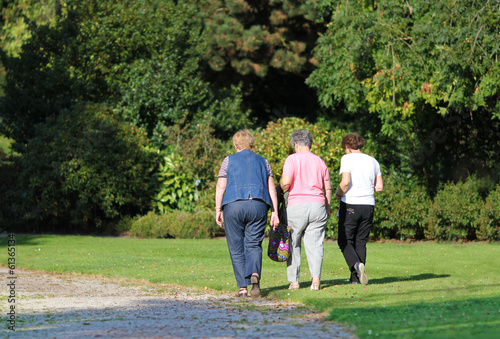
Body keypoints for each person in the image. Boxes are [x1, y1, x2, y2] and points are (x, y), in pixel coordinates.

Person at [215, 129, 279, 298]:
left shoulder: (228, 161)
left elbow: (221, 186)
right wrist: (275, 211)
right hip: (258, 205)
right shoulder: (263, 161)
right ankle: (254, 275)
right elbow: (271, 188)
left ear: (235, 145)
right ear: (251, 144)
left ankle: (243, 287)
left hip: (233, 205)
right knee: (253, 244)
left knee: (236, 247)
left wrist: (217, 209)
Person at [280, 129, 332, 291]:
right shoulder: (320, 161)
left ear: (296, 144)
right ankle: (315, 279)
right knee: (315, 244)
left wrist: (280, 189)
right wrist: (327, 207)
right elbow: (328, 188)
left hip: (297, 205)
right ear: (310, 144)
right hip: (317, 205)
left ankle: (294, 281)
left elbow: (287, 183)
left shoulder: (292, 159)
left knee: (293, 243)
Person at [336, 133, 383, 285]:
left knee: (344, 240)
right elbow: (379, 187)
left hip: (350, 203)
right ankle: (355, 279)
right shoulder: (373, 161)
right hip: (368, 205)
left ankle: (356, 265)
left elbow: (345, 182)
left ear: (347, 147)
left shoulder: (347, 159)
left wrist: (338, 194)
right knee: (360, 242)